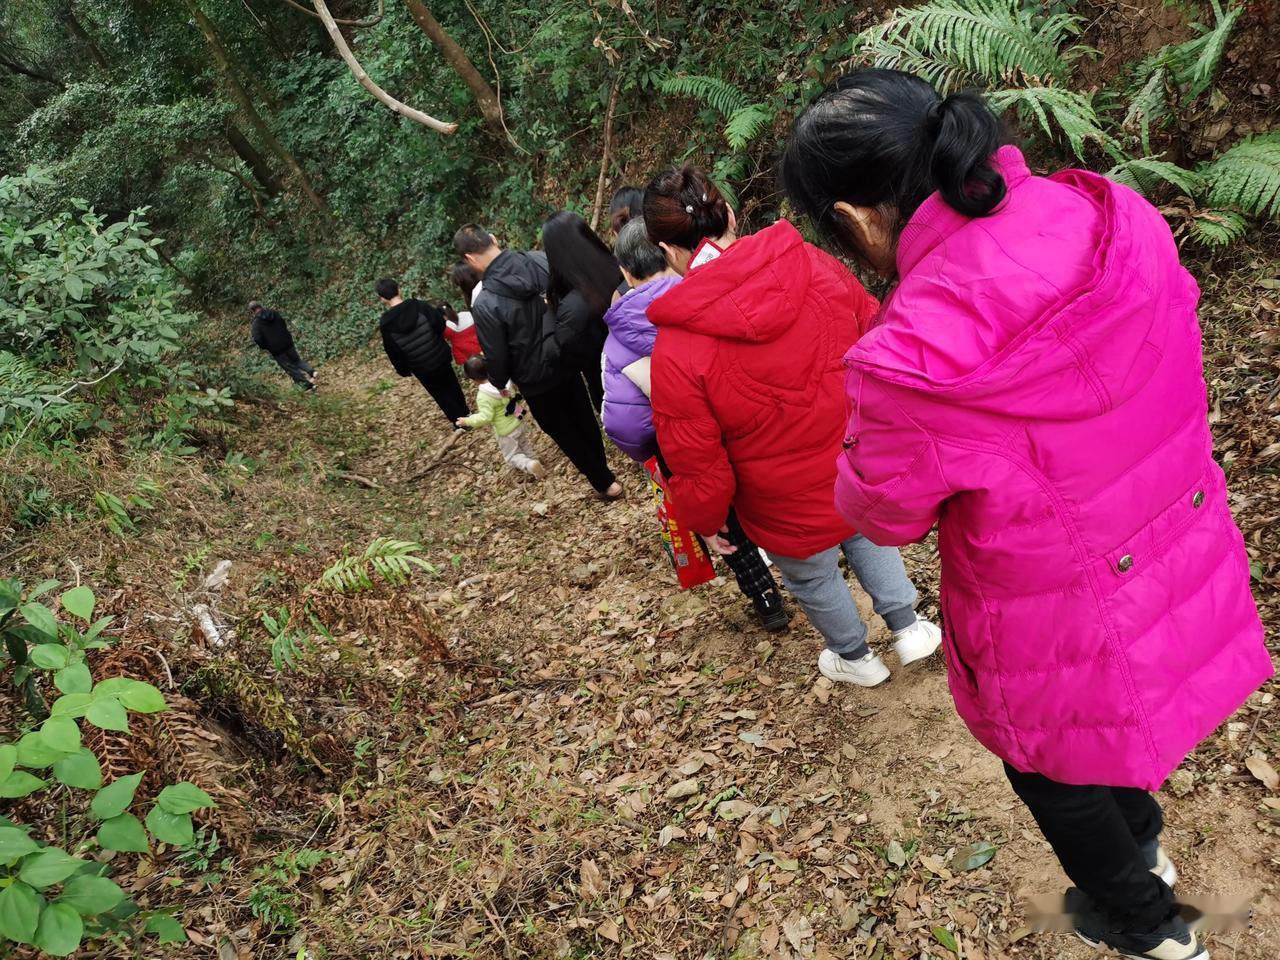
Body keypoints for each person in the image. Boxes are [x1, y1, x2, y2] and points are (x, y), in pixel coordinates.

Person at [781, 68, 1272, 960]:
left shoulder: (912, 352)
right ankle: (1149, 860)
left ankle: (1150, 927)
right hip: (1175, 535)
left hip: (1055, 605)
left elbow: (882, 515)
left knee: (1054, 763)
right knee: (1109, 727)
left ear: (852, 218)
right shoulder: (1113, 215)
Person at [643, 166, 941, 684]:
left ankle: (855, 657)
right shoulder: (811, 262)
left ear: (666, 249)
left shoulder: (676, 345)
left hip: (776, 497)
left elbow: (694, 455)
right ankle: (908, 627)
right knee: (869, 536)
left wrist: (707, 520)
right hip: (851, 454)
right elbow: (875, 331)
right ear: (731, 214)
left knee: (811, 573)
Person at [605, 216, 789, 632]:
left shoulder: (618, 334)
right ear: (671, 252)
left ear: (626, 272)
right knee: (765, 490)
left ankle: (765, 599)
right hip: (742, 423)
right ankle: (800, 553)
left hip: (680, 442)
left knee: (724, 523)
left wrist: (650, 455)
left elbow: (623, 420)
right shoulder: (711, 292)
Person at [454, 223, 622, 499]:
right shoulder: (540, 260)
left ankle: (605, 481)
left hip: (534, 379)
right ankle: (602, 470)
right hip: (567, 357)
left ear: (470, 259)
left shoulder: (485, 303)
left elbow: (497, 354)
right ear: (495, 239)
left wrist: (498, 380)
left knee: (563, 431)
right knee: (582, 416)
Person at [543, 211, 621, 412]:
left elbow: (559, 354)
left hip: (611, 390)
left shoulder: (574, 305)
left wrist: (549, 312)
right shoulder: (619, 268)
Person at [375, 278, 469, 425]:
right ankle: (466, 414)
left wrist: (403, 370)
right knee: (452, 384)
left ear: (382, 299)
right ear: (399, 289)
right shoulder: (418, 306)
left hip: (420, 366)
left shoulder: (386, 323)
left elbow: (393, 350)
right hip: (439, 355)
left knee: (439, 393)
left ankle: (458, 421)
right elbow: (439, 324)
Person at [456, 354, 546, 480]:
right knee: (523, 443)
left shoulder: (484, 396)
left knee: (511, 456)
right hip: (518, 420)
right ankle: (535, 461)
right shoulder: (504, 380)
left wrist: (467, 421)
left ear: (473, 379)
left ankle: (529, 465)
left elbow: (485, 417)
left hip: (506, 430)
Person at [249, 301, 315, 390]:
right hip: (287, 343)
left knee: (290, 368)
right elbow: (283, 324)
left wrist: (266, 347)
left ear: (252, 311)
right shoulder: (274, 313)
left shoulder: (256, 324)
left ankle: (308, 386)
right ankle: (312, 371)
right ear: (261, 306)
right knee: (297, 360)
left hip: (277, 351)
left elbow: (257, 339)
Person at [441, 302, 483, 367]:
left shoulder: (447, 328)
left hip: (467, 357)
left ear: (443, 316)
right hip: (482, 347)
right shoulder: (468, 314)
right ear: (452, 308)